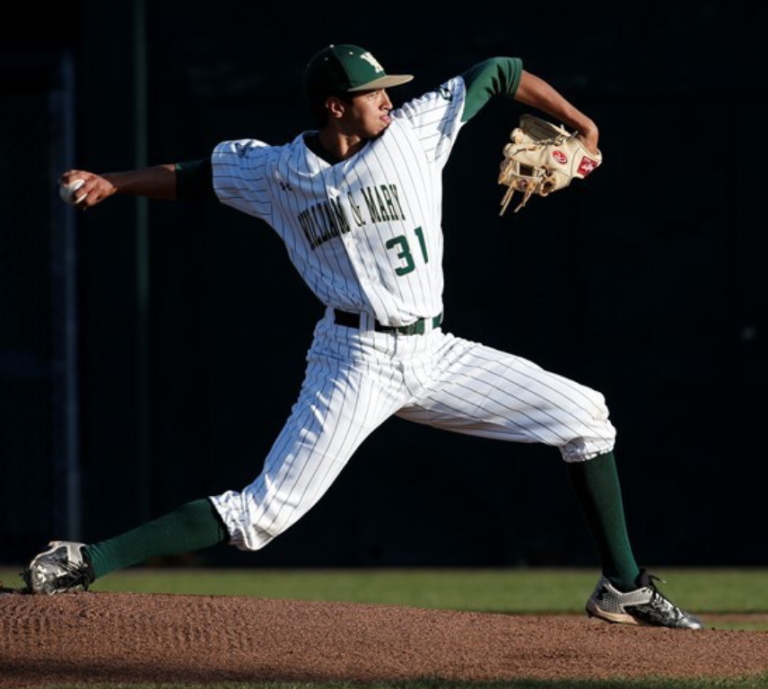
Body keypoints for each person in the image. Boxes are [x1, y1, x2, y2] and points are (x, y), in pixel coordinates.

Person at [25, 44, 701, 629]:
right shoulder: (278, 171)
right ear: (334, 107)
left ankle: (625, 585)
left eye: (385, 89)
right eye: (371, 92)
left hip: (435, 352)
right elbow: (197, 177)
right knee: (262, 515)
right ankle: (87, 559)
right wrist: (114, 181)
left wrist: (581, 125)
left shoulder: (413, 132)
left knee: (587, 415)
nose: (386, 99)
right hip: (356, 360)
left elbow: (499, 71)